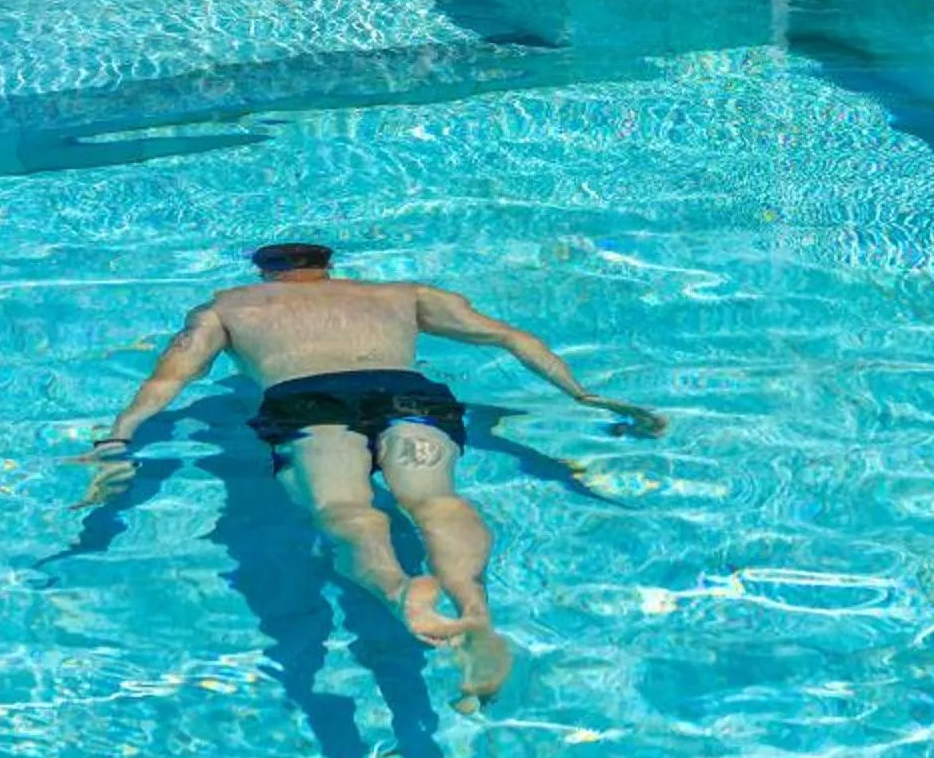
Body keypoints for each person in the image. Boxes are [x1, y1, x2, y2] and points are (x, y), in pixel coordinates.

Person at [78, 242, 664, 709]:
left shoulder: (231, 305)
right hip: (409, 393)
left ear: (265, 273)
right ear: (330, 268)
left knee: (344, 513)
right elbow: (512, 338)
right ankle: (473, 610)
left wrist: (118, 437)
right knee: (436, 501)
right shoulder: (401, 294)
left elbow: (168, 379)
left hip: (303, 400)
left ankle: (398, 589)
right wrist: (588, 396)